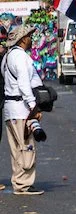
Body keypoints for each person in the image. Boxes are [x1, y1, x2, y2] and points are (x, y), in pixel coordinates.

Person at [3, 25, 45, 195]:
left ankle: (18, 181)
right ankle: (23, 184)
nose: (31, 38)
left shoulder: (7, 57)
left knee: (16, 148)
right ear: (22, 39)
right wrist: (33, 106)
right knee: (26, 146)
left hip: (10, 108)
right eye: (29, 35)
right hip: (21, 109)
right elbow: (23, 84)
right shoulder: (20, 57)